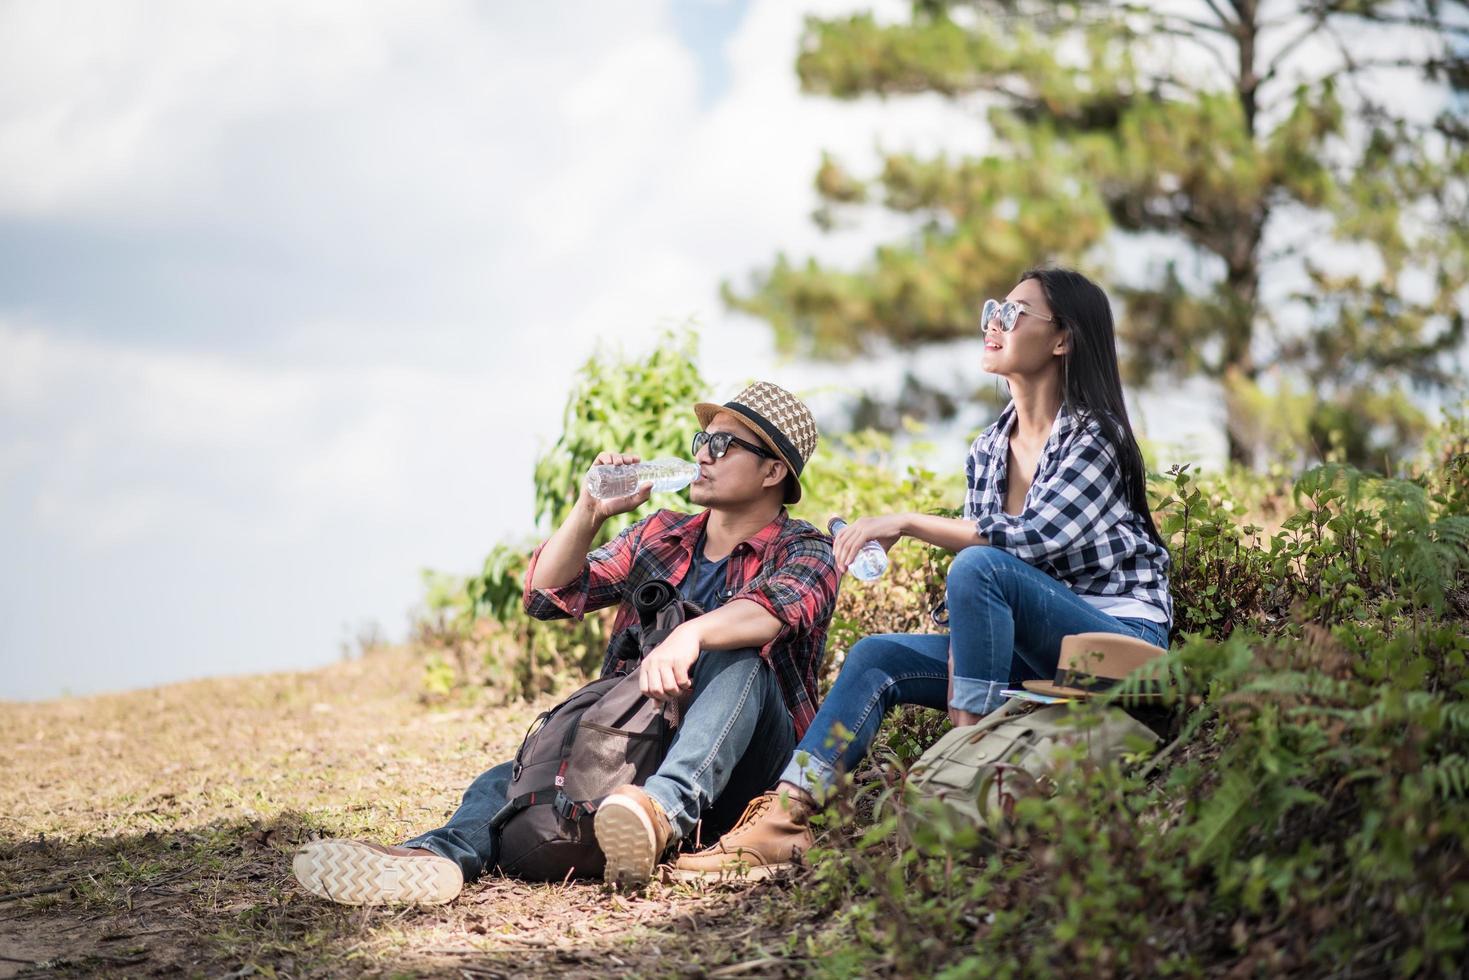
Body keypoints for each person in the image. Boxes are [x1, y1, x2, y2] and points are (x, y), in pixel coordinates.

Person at [673, 268, 1173, 880]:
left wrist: (907, 521)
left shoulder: (1096, 435)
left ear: (1063, 338)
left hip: (1117, 642)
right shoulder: (988, 449)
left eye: (1014, 313)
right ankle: (787, 818)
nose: (993, 322)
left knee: (980, 565)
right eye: (992, 308)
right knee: (878, 654)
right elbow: (989, 583)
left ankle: (963, 775)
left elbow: (1033, 542)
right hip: (1039, 653)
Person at [292, 381, 839, 903]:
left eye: (724, 444)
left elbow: (770, 613)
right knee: (509, 779)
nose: (704, 455)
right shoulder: (662, 533)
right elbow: (546, 595)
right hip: (643, 750)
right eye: (703, 441)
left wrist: (691, 633)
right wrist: (590, 511)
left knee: (738, 656)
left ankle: (663, 813)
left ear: (772, 470)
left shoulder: (807, 550)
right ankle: (441, 856)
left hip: (743, 775)